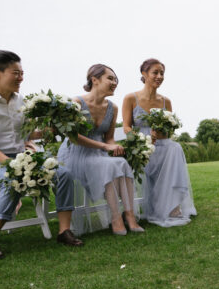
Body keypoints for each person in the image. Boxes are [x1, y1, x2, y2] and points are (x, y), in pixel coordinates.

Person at [0, 50, 83, 260]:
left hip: (24, 159)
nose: (21, 78)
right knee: (14, 178)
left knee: (63, 174)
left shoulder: (21, 101)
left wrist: (48, 131)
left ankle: (64, 231)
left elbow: (27, 134)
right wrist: (12, 164)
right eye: (16, 73)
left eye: (22, 73)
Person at [57, 64, 142, 236]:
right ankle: (116, 218)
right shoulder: (76, 103)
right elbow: (73, 136)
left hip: (99, 153)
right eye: (110, 78)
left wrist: (115, 148)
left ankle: (130, 215)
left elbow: (109, 138)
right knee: (110, 165)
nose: (114, 82)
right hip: (75, 153)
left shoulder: (113, 108)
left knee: (121, 162)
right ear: (94, 80)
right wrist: (105, 146)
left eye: (116, 79)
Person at [122, 58, 196, 227]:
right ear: (144, 74)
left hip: (163, 145)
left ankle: (173, 206)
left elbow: (170, 131)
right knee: (166, 150)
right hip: (142, 147)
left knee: (175, 147)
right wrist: (143, 139)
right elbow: (126, 127)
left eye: (162, 73)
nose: (160, 76)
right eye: (155, 72)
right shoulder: (130, 98)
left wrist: (161, 132)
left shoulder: (166, 101)